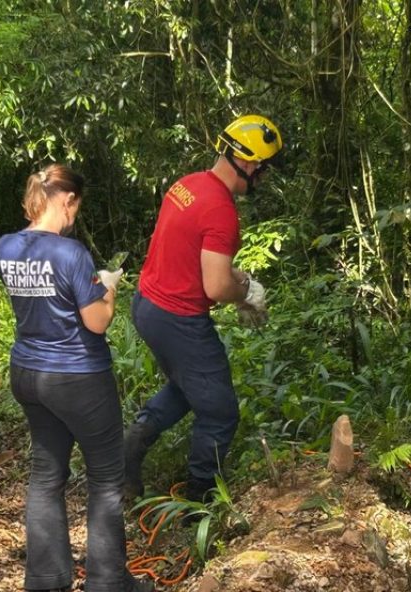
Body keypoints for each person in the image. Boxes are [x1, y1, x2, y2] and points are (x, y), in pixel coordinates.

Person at [0, 164, 153, 592]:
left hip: (28, 371)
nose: (75, 217)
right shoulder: (71, 253)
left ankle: (46, 580)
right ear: (67, 201)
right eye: (75, 208)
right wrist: (110, 289)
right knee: (106, 477)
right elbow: (97, 321)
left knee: (46, 476)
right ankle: (108, 582)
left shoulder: (8, 246)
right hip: (77, 375)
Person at [123, 114, 280, 504]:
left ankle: (129, 448)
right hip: (179, 319)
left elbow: (192, 253)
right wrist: (243, 291)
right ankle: (199, 504)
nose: (263, 176)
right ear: (248, 162)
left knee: (187, 387)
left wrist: (237, 278)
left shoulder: (188, 185)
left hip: (148, 306)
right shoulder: (222, 211)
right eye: (263, 168)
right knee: (220, 411)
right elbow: (215, 284)